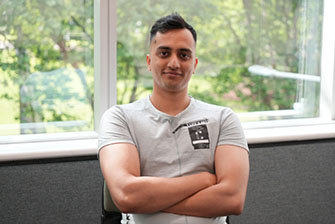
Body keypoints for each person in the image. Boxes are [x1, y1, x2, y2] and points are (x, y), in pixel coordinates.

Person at [98, 13, 249, 224]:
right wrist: (204, 180)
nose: (174, 63)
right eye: (164, 53)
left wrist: (149, 200)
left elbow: (232, 199)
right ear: (150, 62)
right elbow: (126, 195)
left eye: (184, 55)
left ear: (194, 64)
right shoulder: (120, 118)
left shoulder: (223, 118)